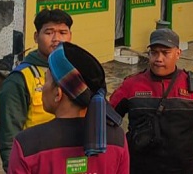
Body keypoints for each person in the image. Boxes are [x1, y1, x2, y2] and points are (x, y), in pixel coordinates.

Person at [8, 42, 129, 173]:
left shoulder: (26, 144)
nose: (42, 88)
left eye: (46, 80)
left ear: (57, 94)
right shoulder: (118, 139)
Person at [109, 28, 193, 174]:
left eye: (165, 53)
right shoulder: (131, 85)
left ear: (178, 53)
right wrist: (117, 161)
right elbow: (107, 121)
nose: (159, 58)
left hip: (185, 169)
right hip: (139, 168)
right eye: (154, 53)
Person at [0, 9, 73, 170]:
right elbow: (9, 137)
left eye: (62, 32)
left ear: (70, 36)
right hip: (36, 163)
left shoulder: (77, 73)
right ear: (36, 36)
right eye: (49, 32)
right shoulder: (19, 79)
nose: (56, 39)